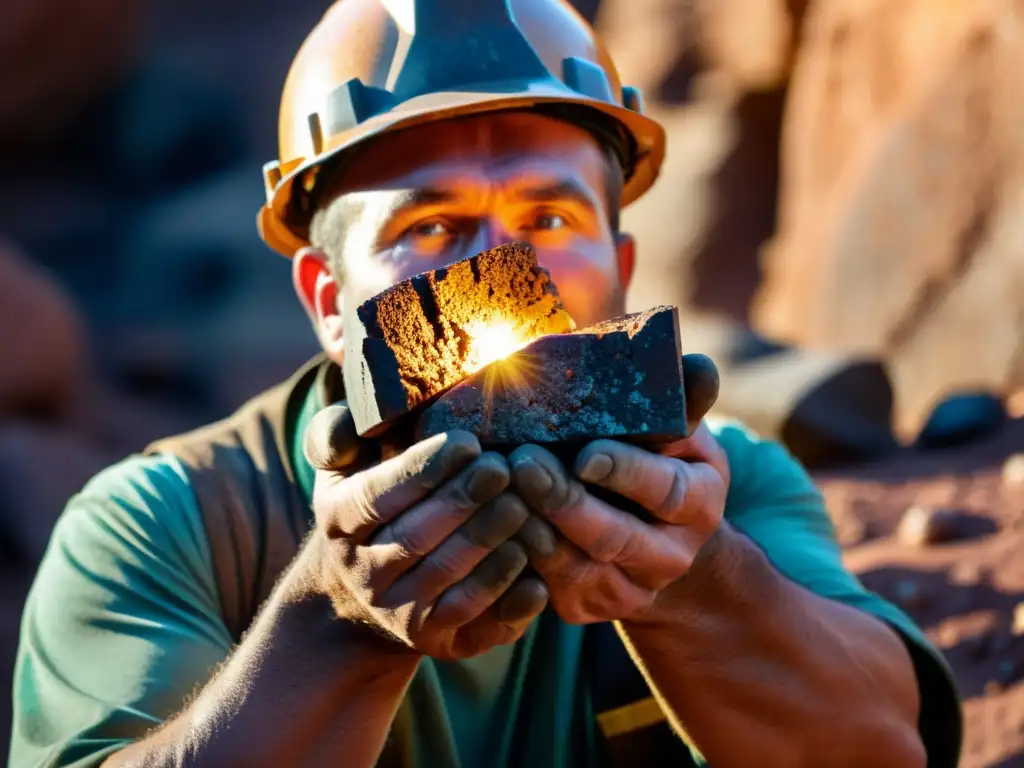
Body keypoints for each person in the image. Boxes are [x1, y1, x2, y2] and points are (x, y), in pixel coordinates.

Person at [9, 1, 961, 766]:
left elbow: (883, 746)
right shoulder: (166, 520)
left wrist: (700, 586)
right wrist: (341, 623)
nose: (505, 277)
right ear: (328, 300)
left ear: (623, 266)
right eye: (431, 229)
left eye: (547, 219)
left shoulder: (726, 488)